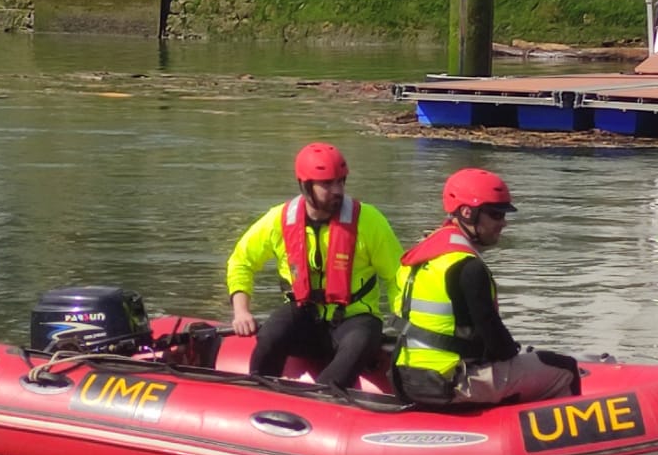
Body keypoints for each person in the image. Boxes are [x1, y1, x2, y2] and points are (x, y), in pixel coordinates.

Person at [392, 168, 580, 407]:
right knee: (565, 368)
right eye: (495, 214)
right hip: (449, 383)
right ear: (467, 213)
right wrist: (515, 354)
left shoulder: (420, 256)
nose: (503, 223)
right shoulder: (469, 269)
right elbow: (497, 343)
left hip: (407, 379)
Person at [227, 142, 403, 390]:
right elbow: (241, 261)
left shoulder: (369, 221)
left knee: (359, 342)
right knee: (270, 336)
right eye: (327, 184)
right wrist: (241, 311)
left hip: (355, 319)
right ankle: (259, 394)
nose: (337, 190)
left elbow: (398, 276)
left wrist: (406, 325)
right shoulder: (278, 220)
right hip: (304, 316)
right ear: (306, 186)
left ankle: (321, 400)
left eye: (341, 182)